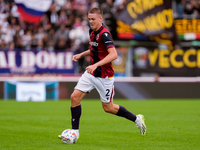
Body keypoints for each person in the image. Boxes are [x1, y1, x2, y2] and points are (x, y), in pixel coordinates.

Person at [60, 7, 146, 138]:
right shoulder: (92, 31)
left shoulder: (105, 34)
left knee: (108, 108)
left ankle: (136, 119)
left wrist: (96, 65)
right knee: (74, 97)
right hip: (91, 73)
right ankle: (74, 132)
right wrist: (81, 54)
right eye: (89, 19)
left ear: (101, 18)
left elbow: (114, 55)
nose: (91, 22)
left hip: (104, 77)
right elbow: (95, 49)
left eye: (93, 19)